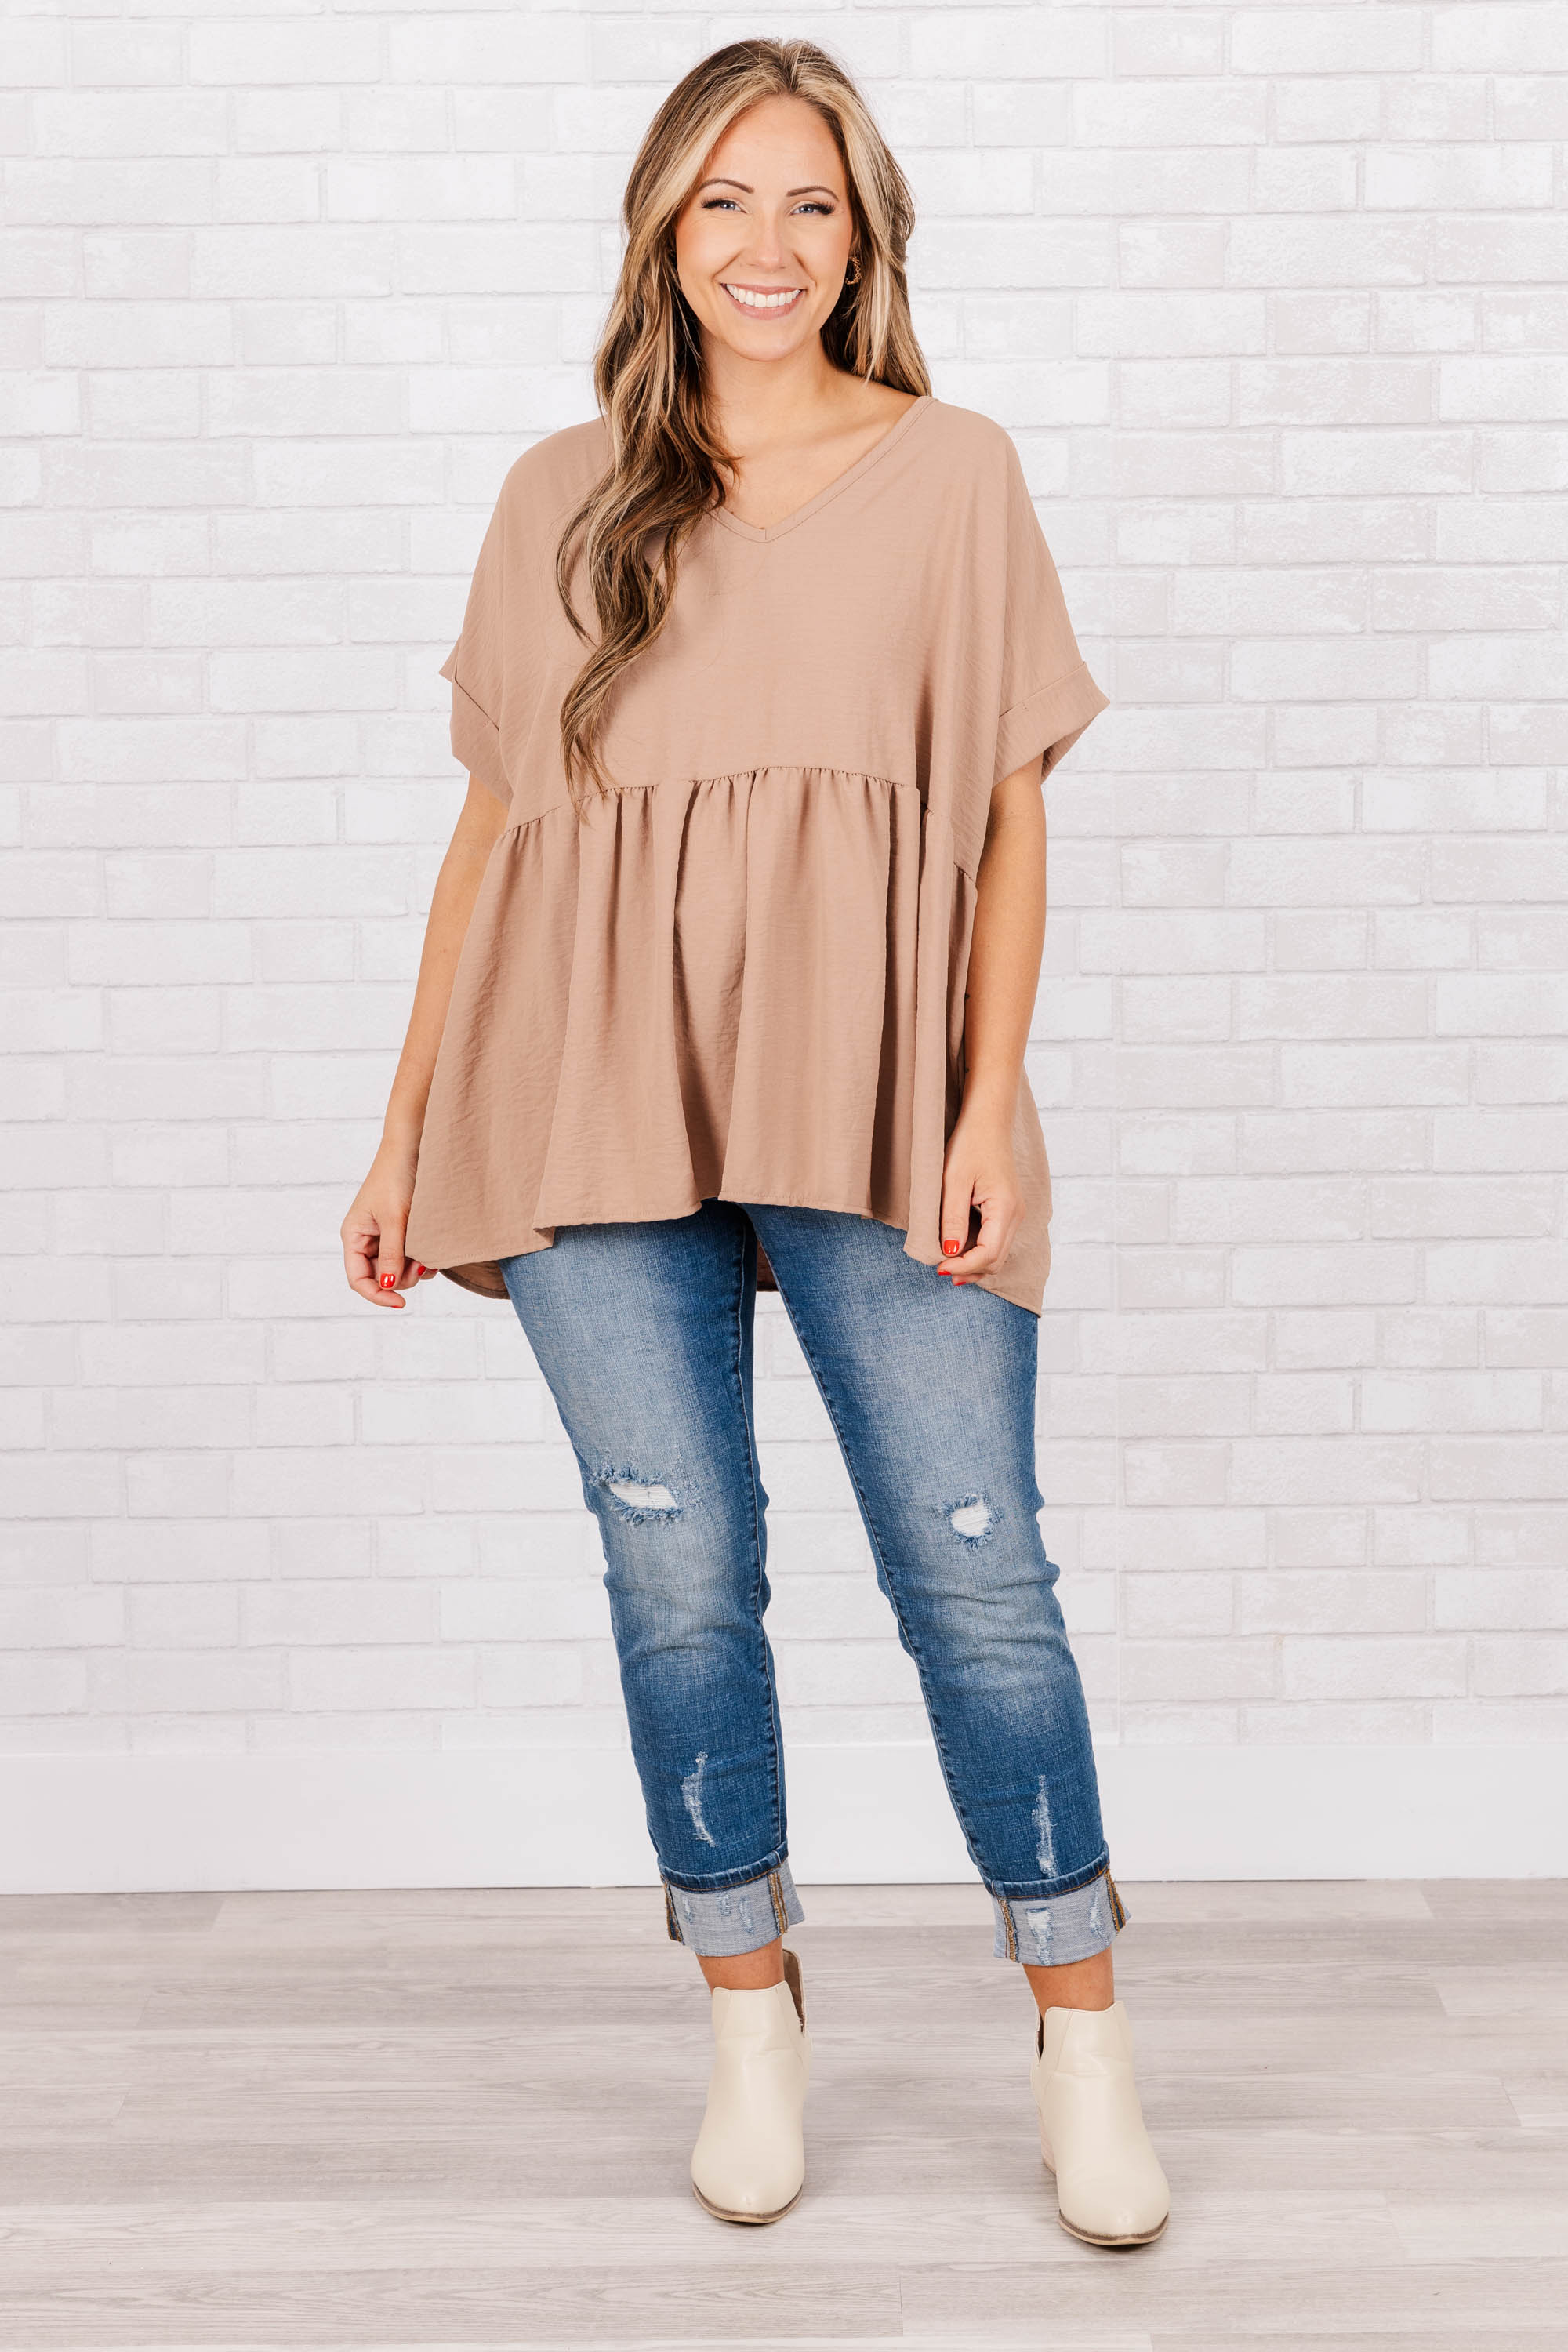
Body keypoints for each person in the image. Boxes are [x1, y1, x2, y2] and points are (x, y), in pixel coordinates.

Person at [342, 37, 1169, 2247]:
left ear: (863, 234)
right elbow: (494, 839)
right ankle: (749, 2022)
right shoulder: (561, 494)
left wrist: (986, 1102)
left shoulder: (953, 471)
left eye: (811, 202)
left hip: (881, 1091)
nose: (769, 244)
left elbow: (1009, 821)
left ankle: (1084, 2042)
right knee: (676, 1574)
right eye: (726, 201)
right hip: (581, 1092)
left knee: (976, 1571)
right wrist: (403, 1131)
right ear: (663, 232)